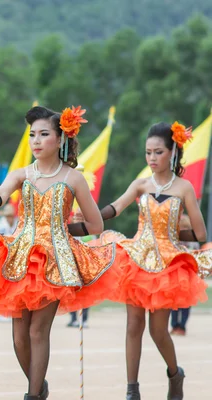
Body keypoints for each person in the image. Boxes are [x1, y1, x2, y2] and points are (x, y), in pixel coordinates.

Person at [0, 105, 119, 400]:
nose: (36, 141)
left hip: (56, 261)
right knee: (19, 337)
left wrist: (64, 231)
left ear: (60, 139)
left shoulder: (73, 178)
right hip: (20, 256)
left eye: (44, 134)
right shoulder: (22, 174)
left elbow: (95, 223)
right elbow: (1, 192)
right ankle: (39, 385)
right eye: (32, 135)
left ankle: (33, 395)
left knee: (38, 332)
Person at [91, 121, 208, 399]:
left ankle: (174, 373)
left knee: (158, 331)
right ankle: (132, 389)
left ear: (172, 153)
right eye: (148, 153)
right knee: (133, 325)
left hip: (167, 265)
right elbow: (116, 208)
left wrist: (172, 231)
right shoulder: (141, 185)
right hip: (137, 260)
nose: (152, 158)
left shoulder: (184, 188)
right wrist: (92, 213)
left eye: (158, 152)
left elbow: (201, 232)